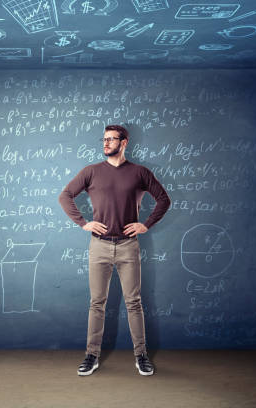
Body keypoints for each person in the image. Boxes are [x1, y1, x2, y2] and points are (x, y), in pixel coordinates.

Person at [58, 124, 171, 376]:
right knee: (97, 303)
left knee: (134, 302)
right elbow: (65, 195)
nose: (106, 143)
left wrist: (146, 224)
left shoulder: (140, 173)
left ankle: (141, 356)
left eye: (112, 139)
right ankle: (91, 356)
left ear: (124, 142)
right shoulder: (91, 171)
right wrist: (84, 222)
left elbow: (164, 199)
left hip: (128, 246)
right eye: (104, 139)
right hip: (99, 245)